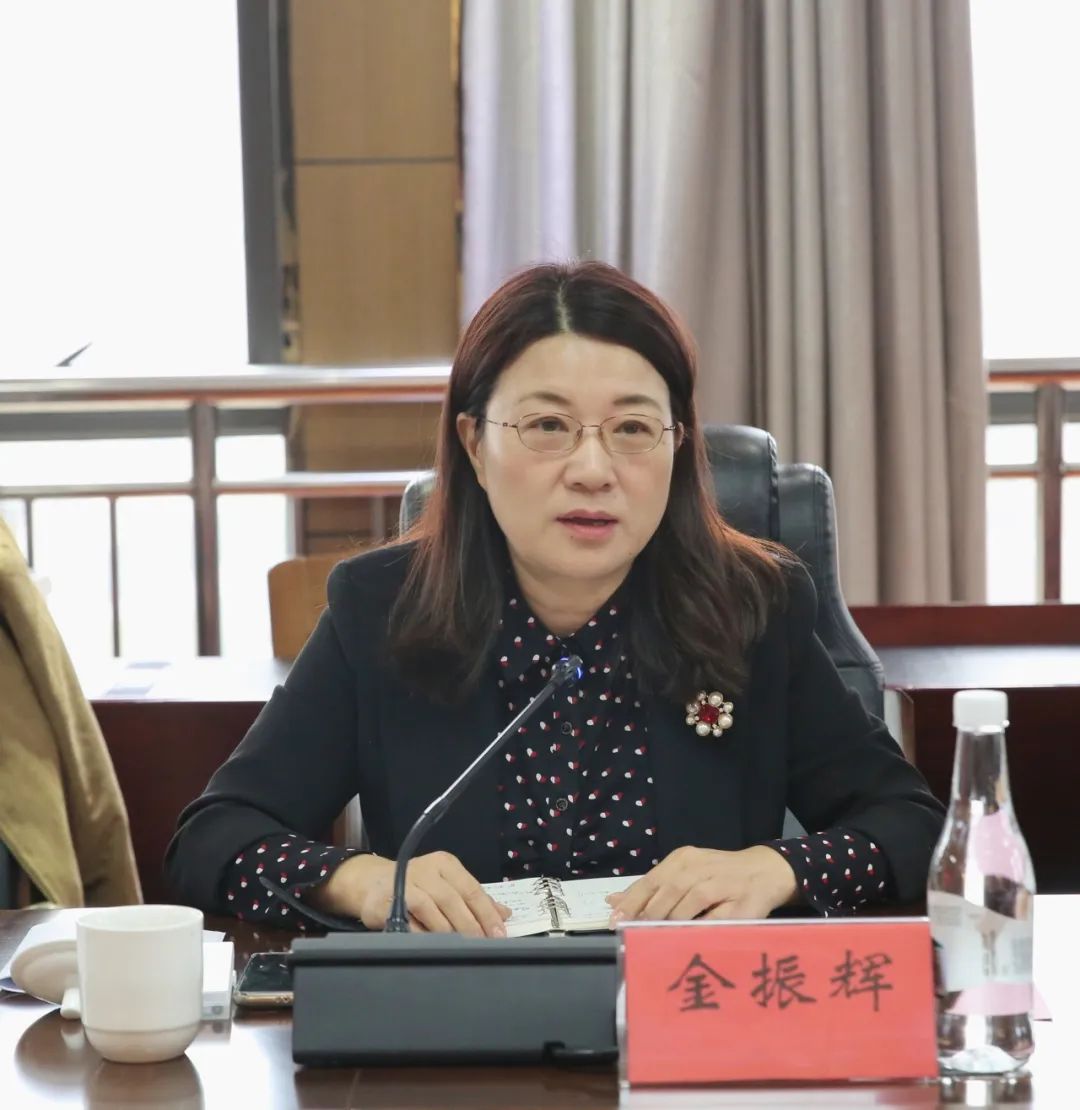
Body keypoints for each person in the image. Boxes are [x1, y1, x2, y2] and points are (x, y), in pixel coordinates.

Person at [165, 261, 944, 937]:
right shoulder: (384, 612)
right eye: (547, 425)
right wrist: (362, 882)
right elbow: (212, 840)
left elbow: (913, 827)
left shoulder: (751, 610)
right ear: (474, 444)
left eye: (633, 428)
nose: (593, 470)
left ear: (677, 444)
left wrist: (777, 869)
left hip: (687, 1019)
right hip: (460, 1030)